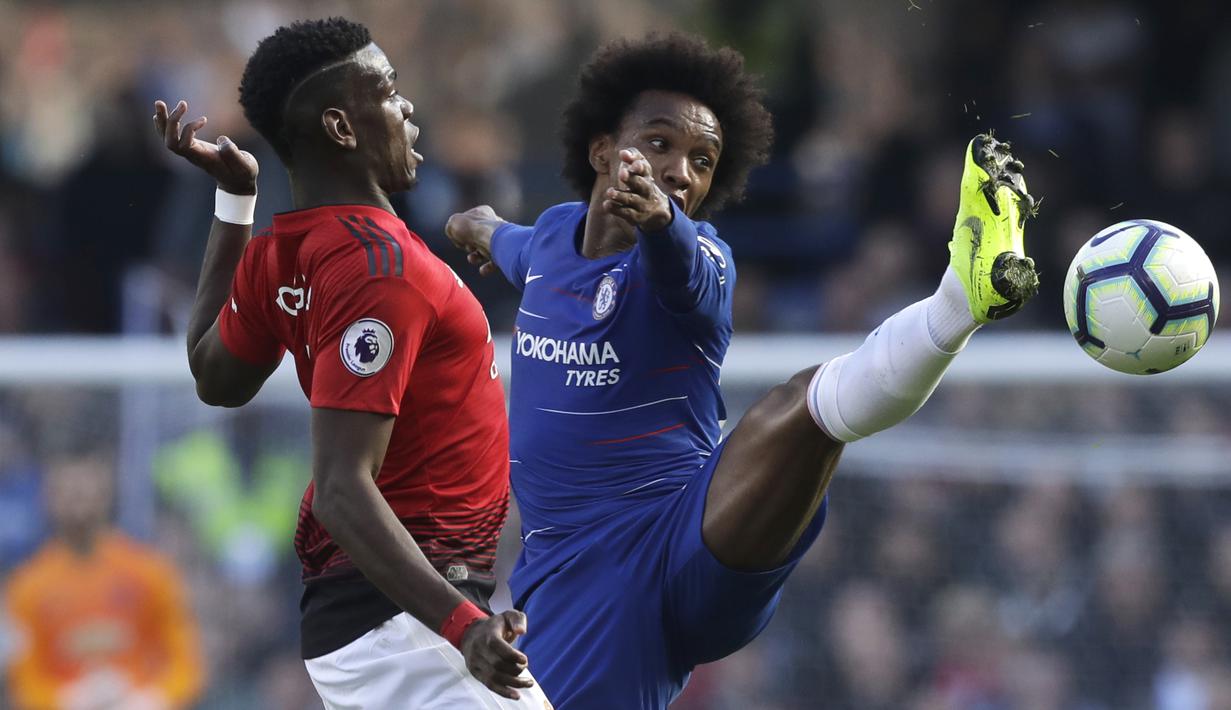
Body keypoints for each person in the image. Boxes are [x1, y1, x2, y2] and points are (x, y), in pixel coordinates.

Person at [446, 32, 1038, 708]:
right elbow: (508, 240)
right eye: (659, 143)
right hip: (578, 581)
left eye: (702, 161)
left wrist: (662, 223)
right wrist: (475, 227)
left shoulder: (704, 259)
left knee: (802, 406)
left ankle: (960, 301)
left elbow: (683, 273)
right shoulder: (551, 239)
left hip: (691, 531)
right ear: (602, 150)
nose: (679, 170)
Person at [153, 17, 548, 708]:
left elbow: (213, 376)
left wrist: (235, 200)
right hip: (406, 623)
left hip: (386, 618)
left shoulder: (285, 251)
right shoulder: (378, 270)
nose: (407, 106)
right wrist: (463, 629)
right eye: (388, 91)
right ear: (340, 127)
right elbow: (340, 487)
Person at [4, 451, 204, 710]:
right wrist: (65, 701)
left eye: (86, 492)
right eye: (68, 492)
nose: (79, 503)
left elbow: (185, 662)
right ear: (48, 499)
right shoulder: (27, 587)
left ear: (106, 495)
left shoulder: (150, 573)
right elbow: (24, 678)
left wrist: (153, 699)